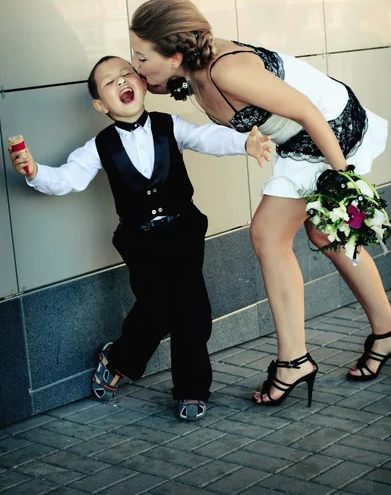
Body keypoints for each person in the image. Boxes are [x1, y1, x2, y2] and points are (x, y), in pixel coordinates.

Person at [128, 0, 391, 407]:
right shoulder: (190, 69)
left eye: (140, 57)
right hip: (300, 141)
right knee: (323, 235)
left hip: (327, 132)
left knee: (269, 235)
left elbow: (308, 112)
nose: (136, 65)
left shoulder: (229, 71)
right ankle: (388, 334)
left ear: (174, 56)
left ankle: (295, 360)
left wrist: (344, 181)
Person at [9, 55, 272, 421]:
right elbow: (70, 178)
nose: (120, 83)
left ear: (143, 83)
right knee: (156, 309)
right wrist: (35, 172)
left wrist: (245, 143)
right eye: (109, 83)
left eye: (126, 74)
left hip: (183, 232)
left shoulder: (170, 125)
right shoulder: (99, 146)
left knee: (193, 310)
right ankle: (117, 359)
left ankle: (191, 388)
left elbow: (205, 136)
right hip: (141, 241)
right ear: (100, 104)